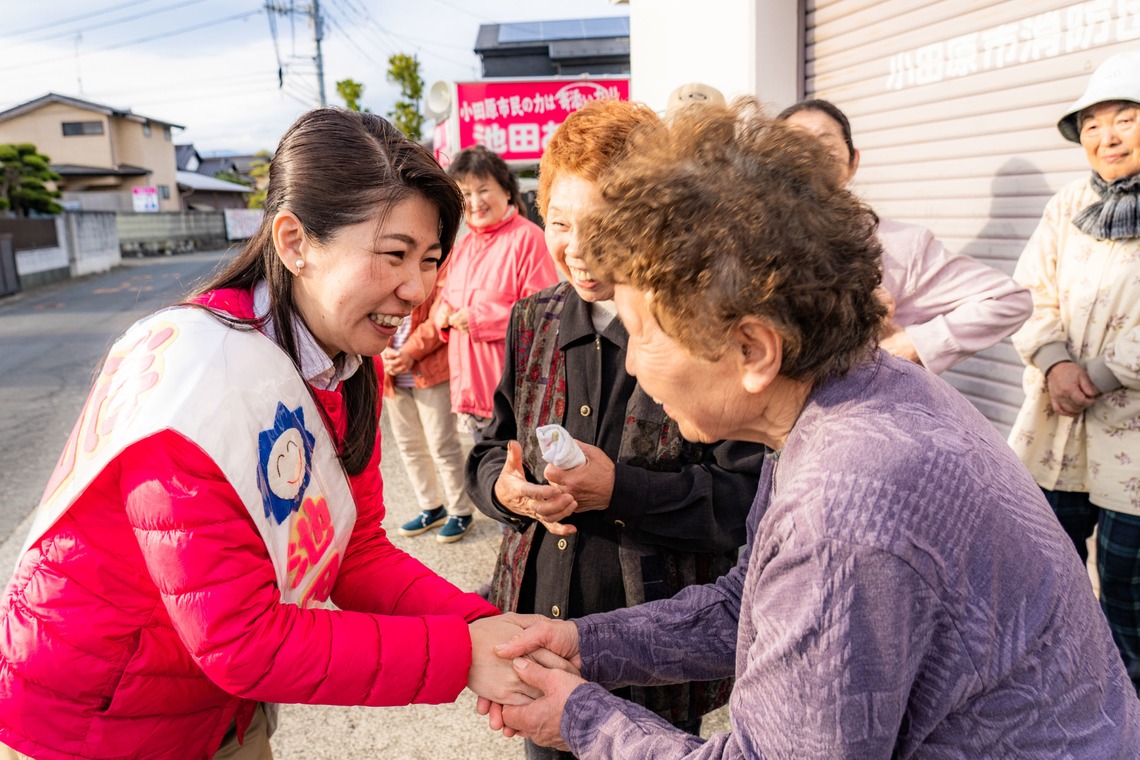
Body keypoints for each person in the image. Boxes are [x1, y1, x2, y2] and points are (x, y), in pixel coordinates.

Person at [481, 99, 1140, 758]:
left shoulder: (841, 506)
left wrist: (583, 719)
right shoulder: (851, 394)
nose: (640, 369)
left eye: (647, 335)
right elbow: (750, 606)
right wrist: (587, 643)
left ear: (755, 351)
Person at [0, 109, 542, 760]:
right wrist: (461, 655)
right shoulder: (199, 380)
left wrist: (483, 628)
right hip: (95, 722)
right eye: (395, 255)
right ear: (294, 242)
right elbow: (242, 640)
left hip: (209, 707)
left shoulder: (338, 363)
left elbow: (355, 551)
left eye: (430, 261)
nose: (417, 288)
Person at [466, 99, 766, 760]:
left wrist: (619, 491)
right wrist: (506, 490)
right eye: (561, 222)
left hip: (651, 645)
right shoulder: (533, 319)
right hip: (542, 617)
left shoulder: (699, 328)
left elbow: (748, 502)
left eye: (602, 226)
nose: (577, 250)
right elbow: (491, 447)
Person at [1007, 50, 1140, 693]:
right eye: (1091, 123)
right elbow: (1030, 293)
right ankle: (1055, 710)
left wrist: (1103, 374)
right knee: (1041, 583)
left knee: (1130, 606)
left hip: (1133, 450)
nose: (1106, 137)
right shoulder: (1068, 204)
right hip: (1056, 432)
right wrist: (1056, 362)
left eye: (1125, 118)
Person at [777, 98, 1032, 375]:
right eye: (797, 143)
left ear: (853, 161)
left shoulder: (900, 245)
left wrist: (915, 343)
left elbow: (1008, 299)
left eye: (825, 141)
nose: (812, 153)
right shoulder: (746, 238)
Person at [433, 145, 558, 447]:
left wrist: (477, 318)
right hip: (471, 392)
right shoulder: (463, 246)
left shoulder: (528, 238)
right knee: (485, 477)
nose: (474, 202)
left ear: (506, 190)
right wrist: (444, 314)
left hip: (511, 397)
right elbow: (448, 298)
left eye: (483, 190)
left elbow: (542, 314)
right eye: (465, 193)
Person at [379, 266, 478, 544]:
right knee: (409, 445)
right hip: (392, 372)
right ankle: (431, 507)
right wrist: (381, 347)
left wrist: (410, 352)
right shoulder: (387, 258)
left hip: (430, 370)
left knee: (442, 445)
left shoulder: (444, 262)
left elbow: (441, 316)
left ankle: (461, 511)